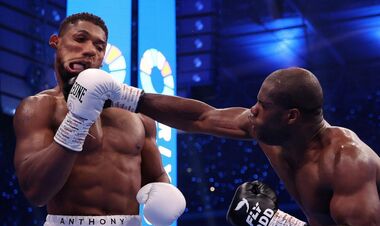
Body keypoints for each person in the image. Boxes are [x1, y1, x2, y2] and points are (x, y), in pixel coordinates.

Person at [125, 67, 380, 225]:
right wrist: (127, 97)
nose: (253, 111)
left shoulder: (347, 162)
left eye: (263, 106)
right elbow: (201, 118)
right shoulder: (268, 131)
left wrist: (279, 223)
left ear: (291, 116)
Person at [13, 12, 185, 226]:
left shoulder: (137, 114)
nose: (89, 50)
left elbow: (156, 175)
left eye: (99, 46)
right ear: (56, 42)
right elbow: (36, 192)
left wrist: (165, 192)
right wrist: (77, 121)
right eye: (80, 39)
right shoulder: (39, 108)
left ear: (103, 58)